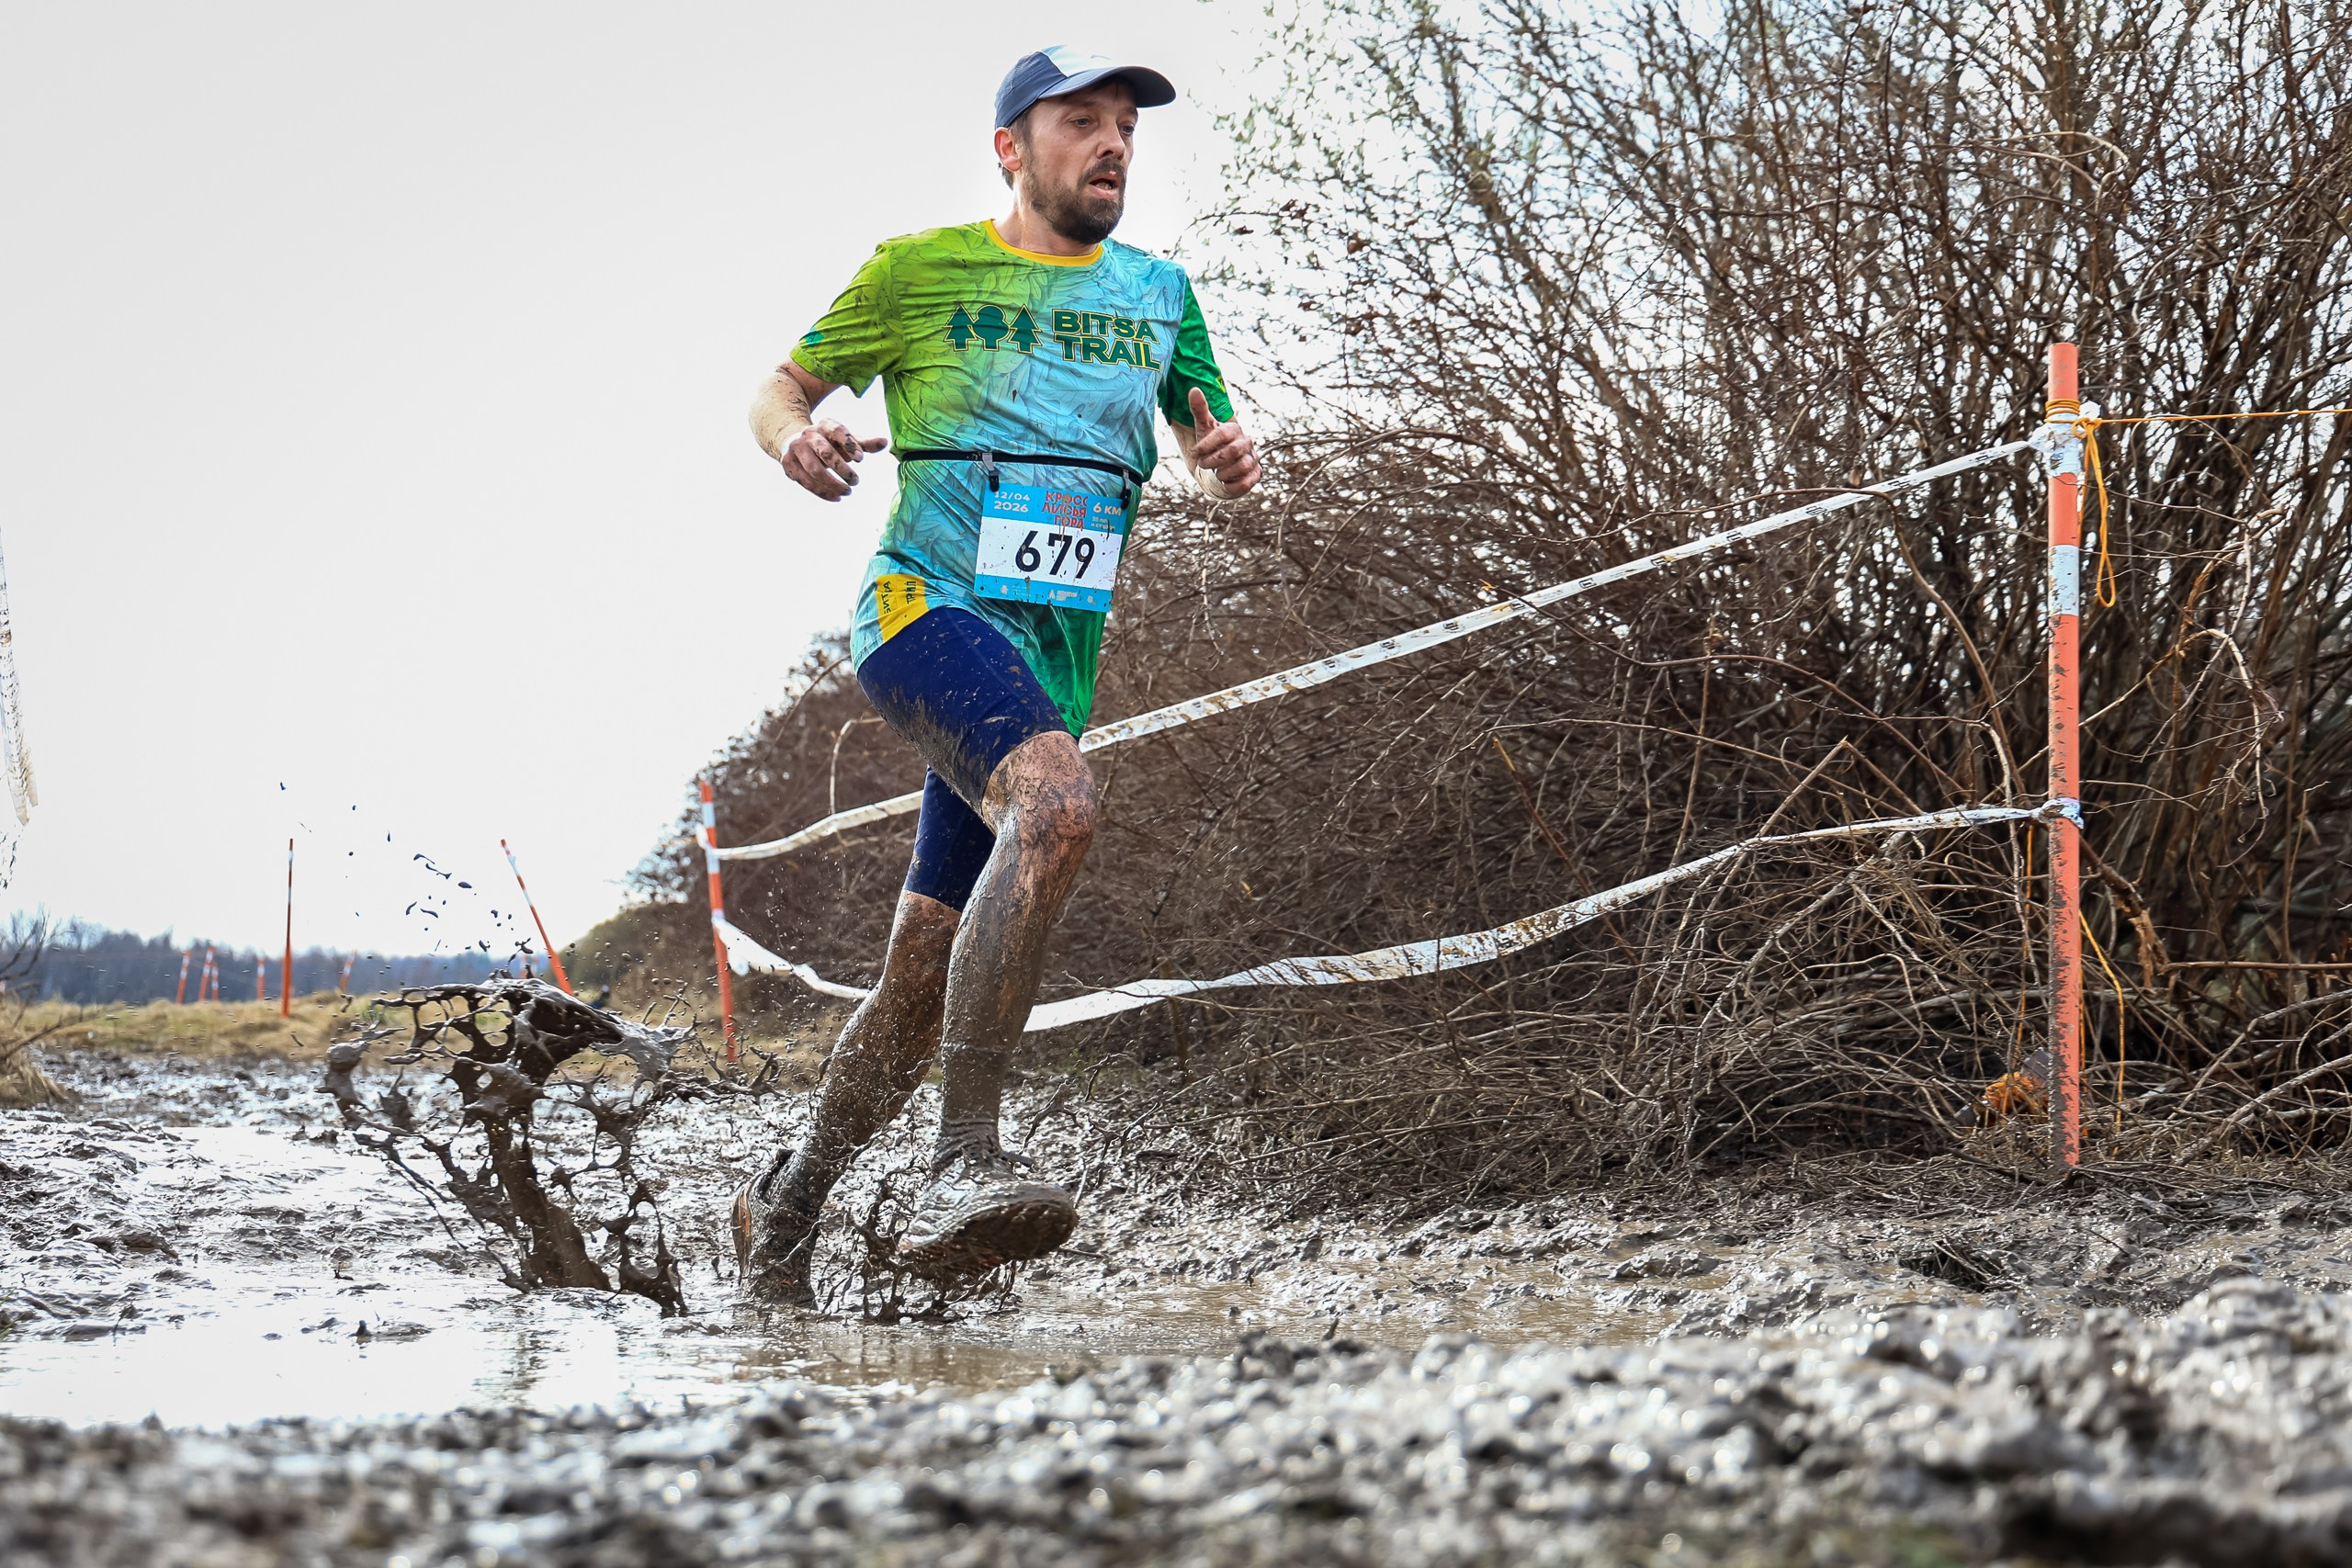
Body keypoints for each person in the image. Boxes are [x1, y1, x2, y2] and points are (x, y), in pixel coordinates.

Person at [732, 47, 1261, 1304]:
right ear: (1012, 149)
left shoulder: (1159, 293)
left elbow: (1202, 443)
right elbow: (778, 388)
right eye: (1081, 122)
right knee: (1060, 806)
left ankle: (786, 1206)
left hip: (1048, 665)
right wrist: (795, 440)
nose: (1113, 145)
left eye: (1126, 125)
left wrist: (1226, 460)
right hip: (925, 608)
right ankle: (964, 1157)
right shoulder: (919, 270)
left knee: (922, 970)